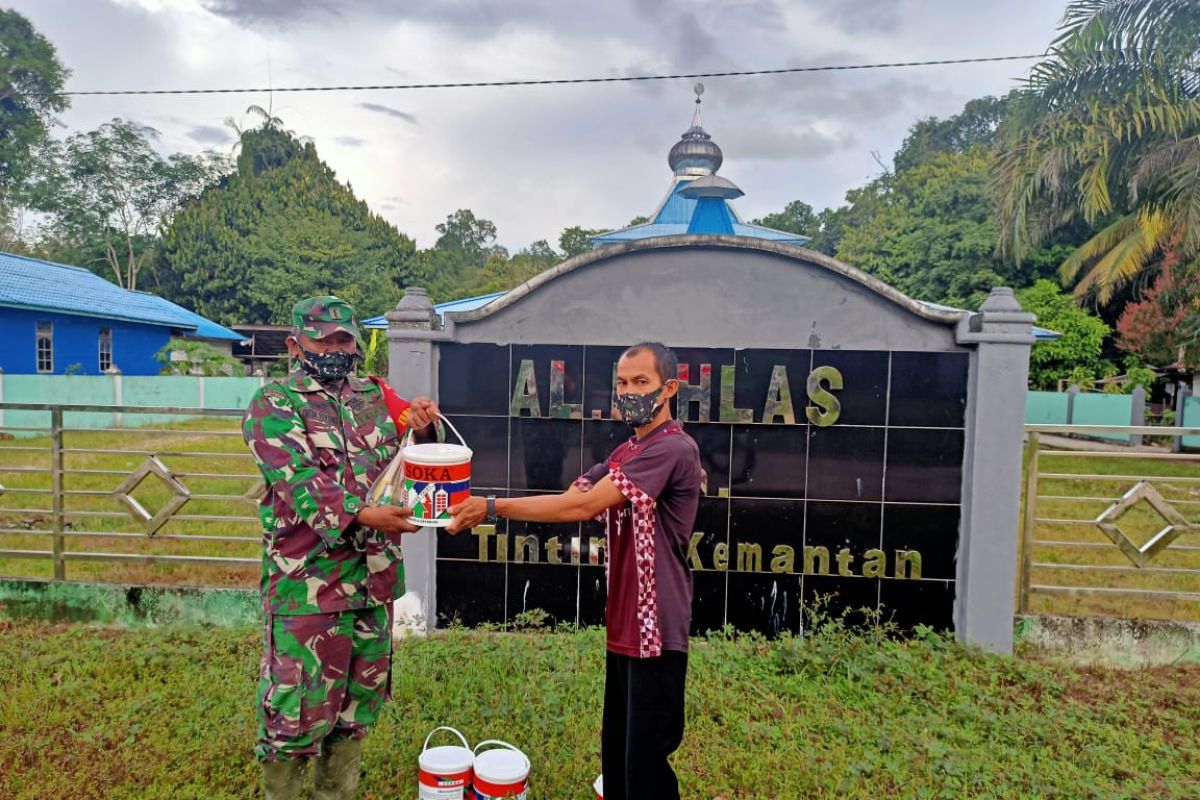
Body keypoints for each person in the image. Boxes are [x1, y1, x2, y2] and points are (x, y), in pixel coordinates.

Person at [448, 342, 702, 800]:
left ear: (669, 388)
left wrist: (491, 506)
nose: (629, 392)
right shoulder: (629, 451)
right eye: (622, 383)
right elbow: (579, 494)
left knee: (646, 764)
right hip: (625, 621)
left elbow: (582, 502)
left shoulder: (673, 449)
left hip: (656, 625)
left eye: (641, 382)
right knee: (620, 754)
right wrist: (582, 496)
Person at [243, 296, 440, 800]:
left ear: (356, 344)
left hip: (372, 586)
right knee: (293, 718)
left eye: (344, 339)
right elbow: (303, 482)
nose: (334, 349)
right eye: (322, 339)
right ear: (295, 344)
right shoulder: (273, 406)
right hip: (309, 591)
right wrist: (366, 515)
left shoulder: (374, 394)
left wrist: (421, 422)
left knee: (354, 713)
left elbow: (411, 448)